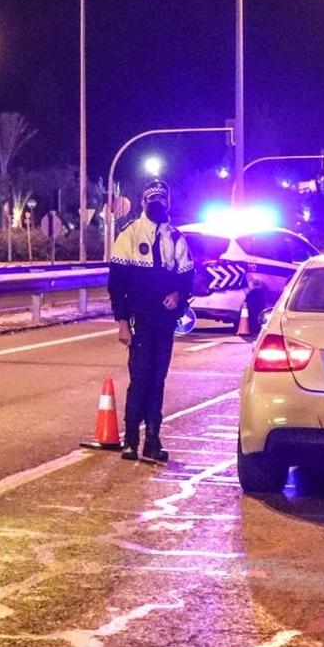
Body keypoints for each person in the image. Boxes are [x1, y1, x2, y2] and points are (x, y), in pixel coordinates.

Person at [108, 180, 193, 463]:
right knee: (140, 379)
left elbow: (187, 277)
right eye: (151, 200)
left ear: (168, 203)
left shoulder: (176, 238)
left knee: (158, 380)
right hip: (139, 321)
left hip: (164, 322)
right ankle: (130, 440)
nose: (156, 205)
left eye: (161, 200)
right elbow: (116, 284)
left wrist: (178, 296)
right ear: (143, 203)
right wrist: (122, 322)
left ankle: (152, 441)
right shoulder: (129, 235)